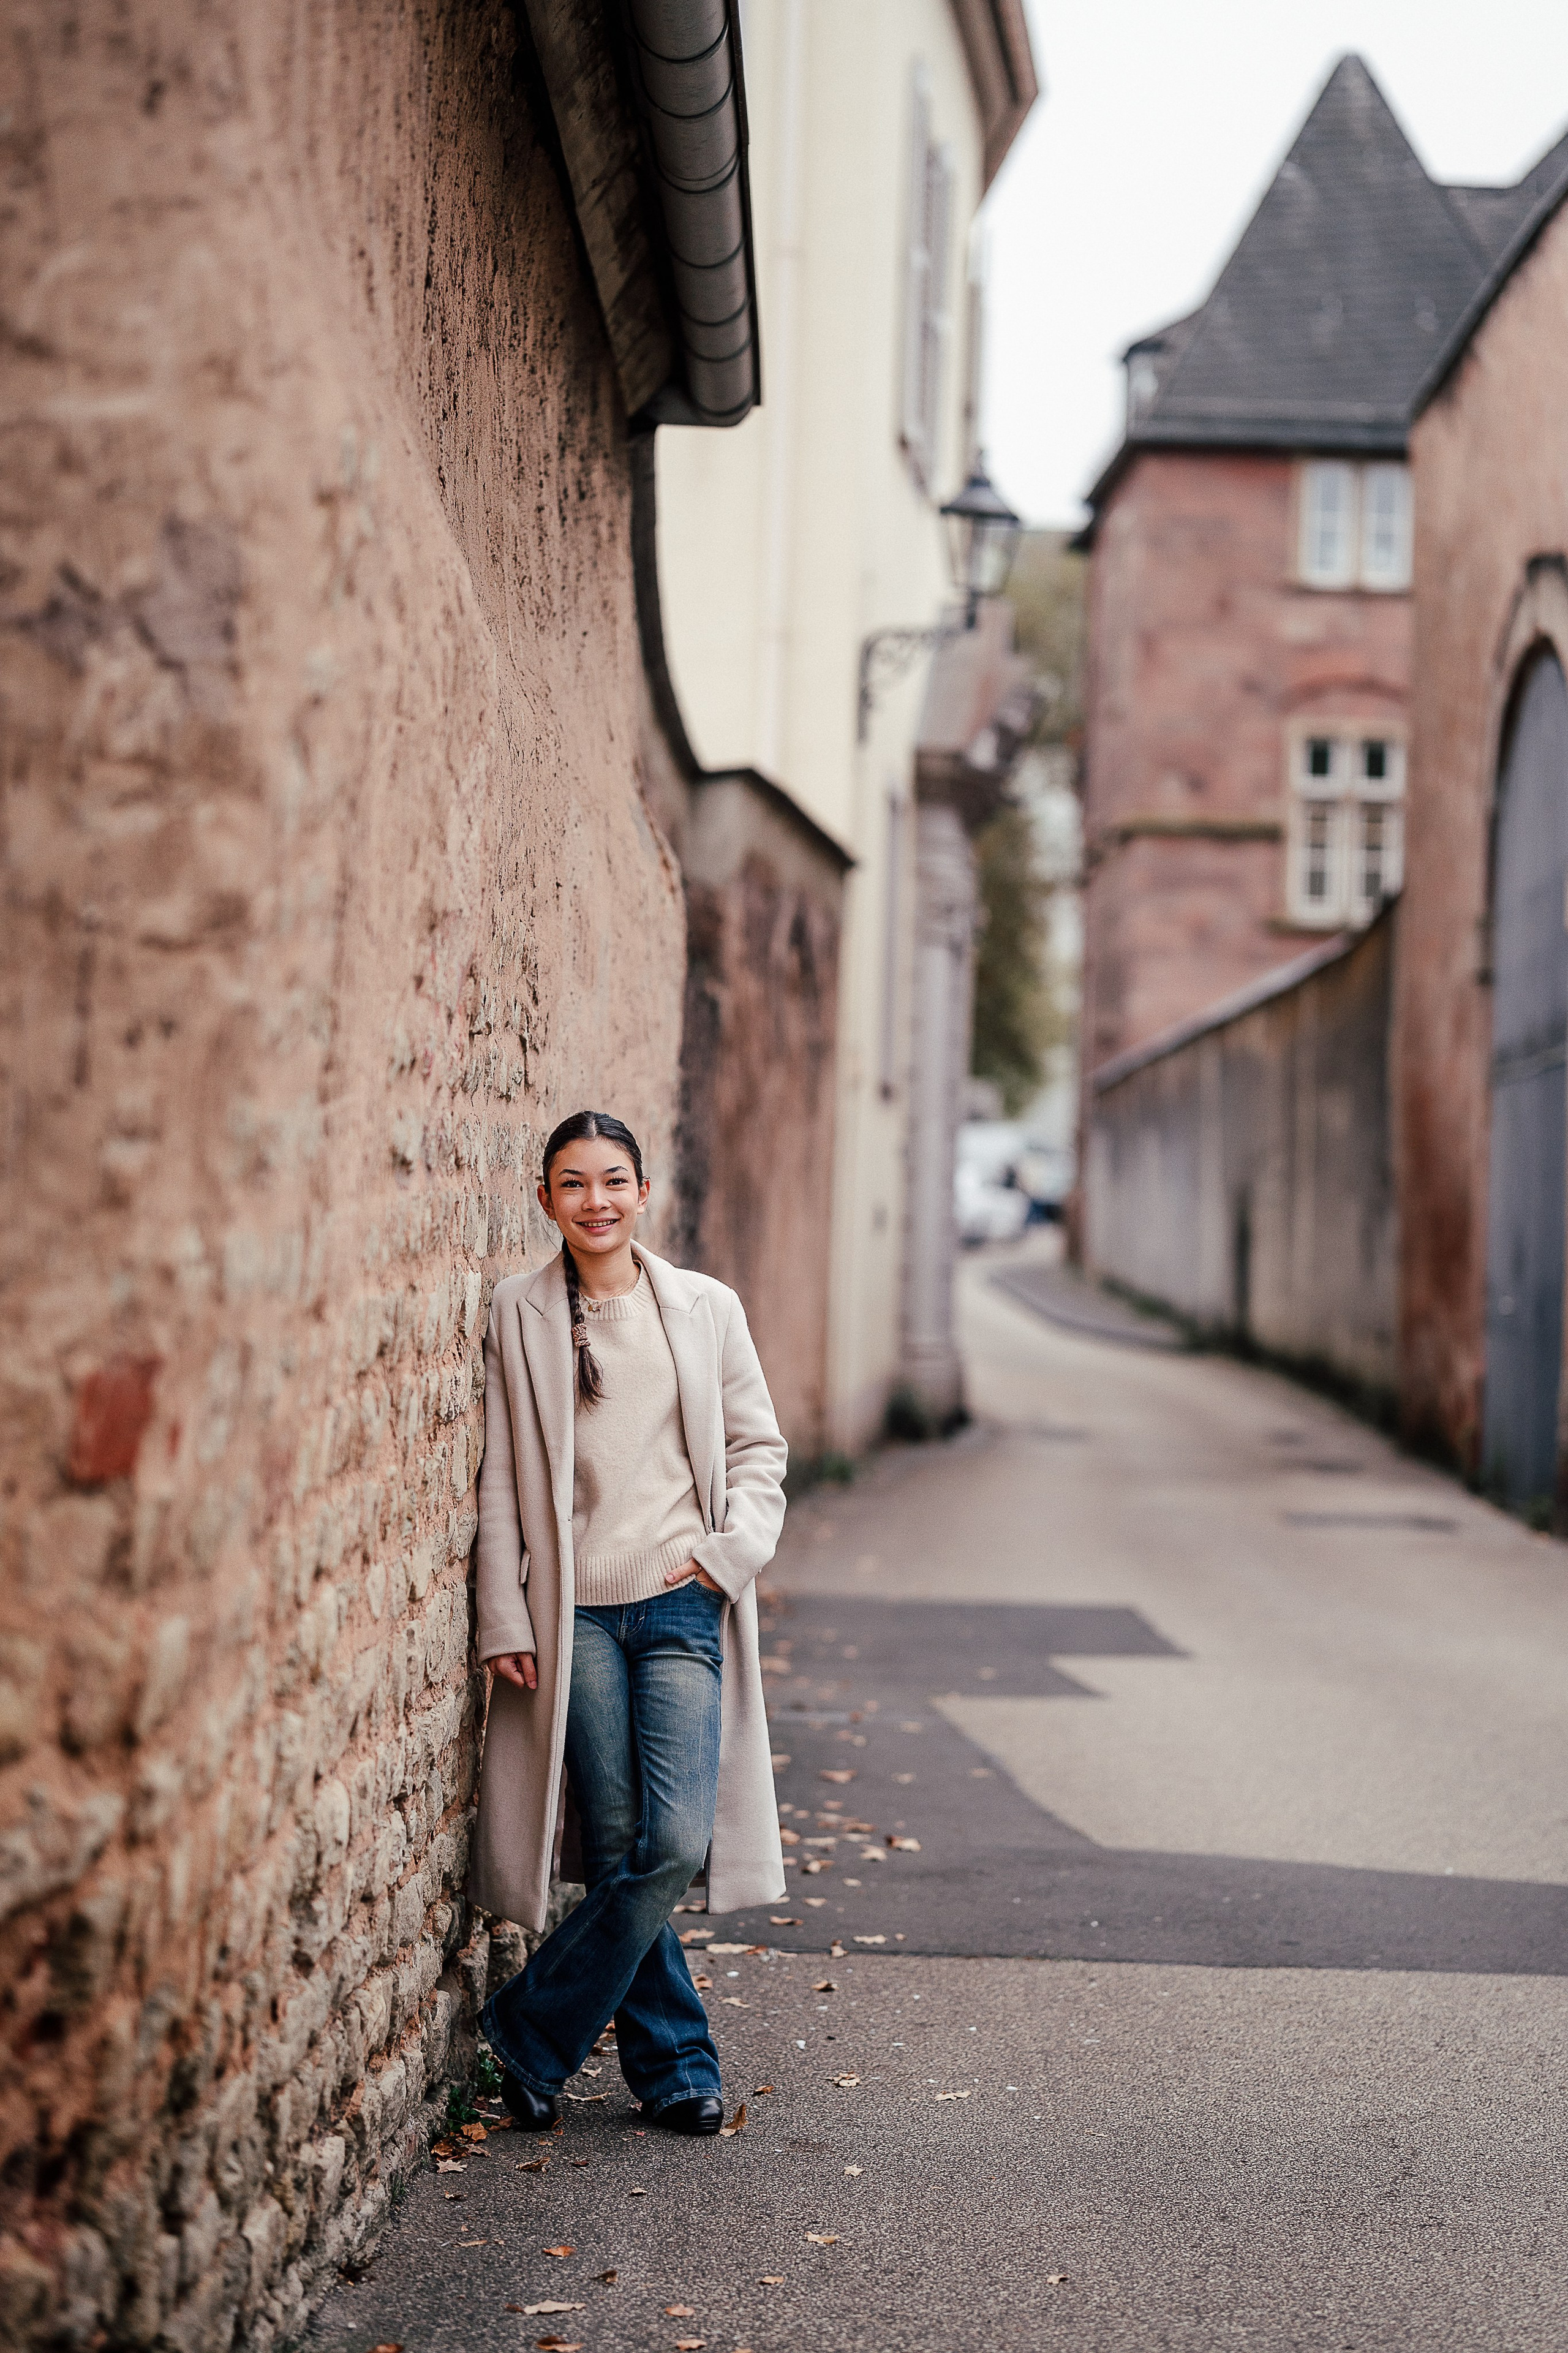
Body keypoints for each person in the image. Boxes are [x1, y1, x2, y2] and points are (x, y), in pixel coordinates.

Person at [469, 1110, 788, 2136]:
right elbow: (501, 1483)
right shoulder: (518, 1311)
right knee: (617, 1846)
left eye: (613, 1180)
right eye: (573, 1183)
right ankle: (678, 2068)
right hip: (576, 1617)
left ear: (643, 1191)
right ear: (546, 1197)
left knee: (674, 1840)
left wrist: (723, 1558)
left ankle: (529, 2030)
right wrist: (502, 1612)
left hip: (680, 1600)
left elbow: (757, 1450)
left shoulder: (702, 1306)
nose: (595, 1201)